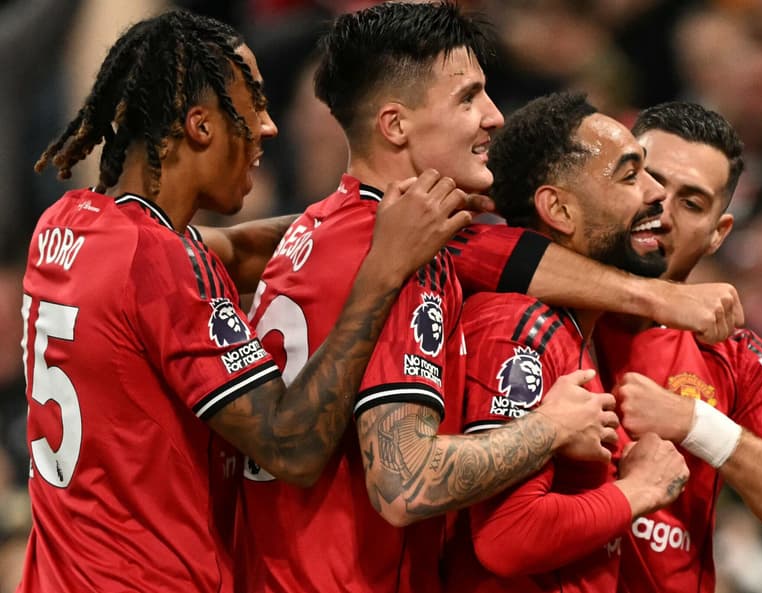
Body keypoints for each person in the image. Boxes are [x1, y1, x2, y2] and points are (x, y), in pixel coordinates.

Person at [17, 9, 484, 593]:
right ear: (201, 125)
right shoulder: (165, 263)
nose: (269, 127)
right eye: (253, 103)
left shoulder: (65, 226)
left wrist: (358, 216)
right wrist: (380, 272)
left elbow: (226, 249)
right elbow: (292, 448)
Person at [239, 4, 620, 592]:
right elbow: (402, 482)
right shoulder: (402, 257)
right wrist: (551, 425)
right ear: (395, 126)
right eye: (467, 98)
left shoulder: (313, 226)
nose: (494, 117)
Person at [592, 101, 762, 592]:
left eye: (691, 204)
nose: (660, 210)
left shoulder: (735, 356)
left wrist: (698, 424)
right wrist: (651, 294)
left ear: (718, 234)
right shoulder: (532, 290)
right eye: (646, 180)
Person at [442, 92, 691, 593]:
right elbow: (507, 536)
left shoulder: (577, 326)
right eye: (629, 175)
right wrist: (637, 490)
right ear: (558, 209)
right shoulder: (519, 327)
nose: (655, 192)